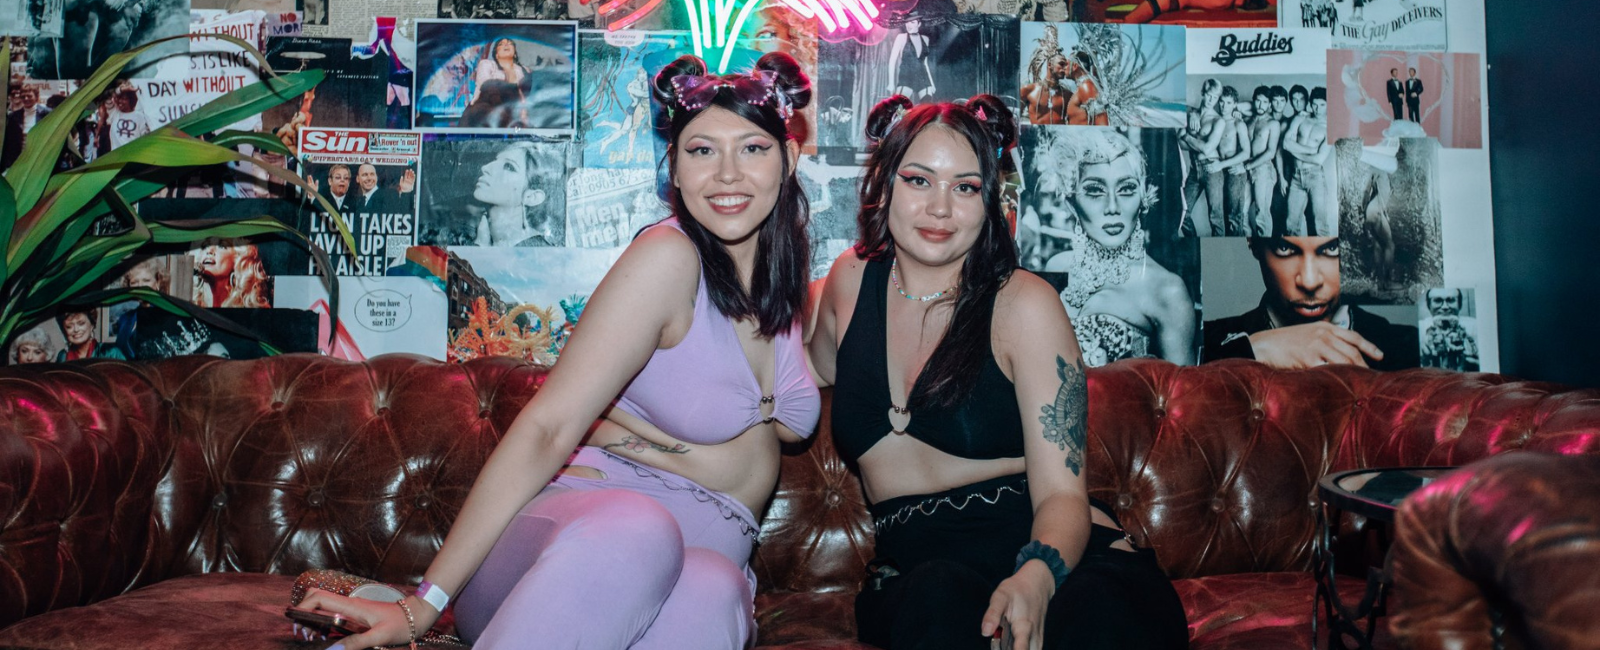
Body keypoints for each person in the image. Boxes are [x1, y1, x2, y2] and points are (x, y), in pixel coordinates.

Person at [292, 52, 819, 650]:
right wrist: (422, 606)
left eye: (752, 148)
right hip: (581, 550)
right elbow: (548, 426)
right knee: (638, 529)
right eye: (701, 150)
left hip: (702, 565)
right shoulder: (668, 260)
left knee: (713, 590)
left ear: (789, 158)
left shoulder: (785, 282)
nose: (727, 173)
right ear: (672, 168)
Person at [809, 94, 1188, 650]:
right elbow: (800, 368)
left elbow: (1063, 495)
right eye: (919, 180)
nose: (941, 208)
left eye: (965, 187)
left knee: (1098, 618)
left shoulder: (1023, 303)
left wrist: (1037, 576)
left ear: (989, 200)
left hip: (1057, 561)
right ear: (884, 184)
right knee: (936, 600)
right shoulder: (848, 281)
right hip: (922, 578)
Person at [1034, 128, 1196, 366]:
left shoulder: (1167, 290)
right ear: (1071, 202)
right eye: (1095, 191)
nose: (1113, 207)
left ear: (1142, 200)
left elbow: (1183, 398)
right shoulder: (1057, 265)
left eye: (1126, 189)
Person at [1202, 236, 1420, 370]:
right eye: (1285, 249)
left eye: (1332, 248)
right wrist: (1252, 350)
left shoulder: (1408, 347)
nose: (1309, 281)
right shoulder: (1205, 346)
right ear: (1252, 242)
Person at [469, 141, 566, 247]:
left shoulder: (535, 250)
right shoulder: (478, 232)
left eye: (509, 167)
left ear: (531, 197)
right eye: (496, 160)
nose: (485, 168)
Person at [1282, 87, 1332, 237]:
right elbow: (1285, 144)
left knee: (1320, 225)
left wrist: (1295, 151)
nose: (1317, 109)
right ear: (1310, 103)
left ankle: (1323, 260)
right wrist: (1310, 150)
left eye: (1322, 105)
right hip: (1296, 177)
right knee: (1290, 225)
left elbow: (1319, 159)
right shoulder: (1301, 118)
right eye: (1315, 104)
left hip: (1315, 177)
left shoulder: (1329, 128)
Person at [1180, 78, 1223, 236]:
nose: (1212, 100)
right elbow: (1180, 143)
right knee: (1182, 211)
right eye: (1209, 95)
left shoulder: (1218, 120)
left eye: (1216, 97)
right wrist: (1192, 115)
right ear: (1202, 94)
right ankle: (1195, 242)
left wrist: (1188, 137)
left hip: (1212, 168)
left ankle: (1218, 252)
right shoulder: (1192, 115)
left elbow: (1207, 148)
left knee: (1216, 217)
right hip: (1194, 169)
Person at [192, 239, 272, 309]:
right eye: (205, 246)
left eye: (221, 246)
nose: (209, 251)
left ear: (238, 260)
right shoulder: (191, 302)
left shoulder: (254, 307)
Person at [1245, 86, 1281, 237]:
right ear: (1253, 102)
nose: (1260, 105)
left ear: (1270, 104)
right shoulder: (1248, 120)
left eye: (1265, 102)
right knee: (1241, 211)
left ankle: (1264, 247)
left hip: (1263, 170)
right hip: (1247, 168)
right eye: (1258, 101)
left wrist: (1249, 165)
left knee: (1262, 212)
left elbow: (1271, 152)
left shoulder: (1273, 124)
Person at [1419, 288, 1477, 371]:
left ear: (1459, 304)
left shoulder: (1475, 325)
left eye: (1451, 300)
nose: (1445, 307)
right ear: (1429, 305)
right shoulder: (1419, 327)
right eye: (1438, 300)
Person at [2, 84, 52, 170]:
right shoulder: (13, 116)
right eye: (23, 96)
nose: (26, 99)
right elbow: (9, 141)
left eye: (29, 96)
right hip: (20, 158)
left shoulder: (47, 114)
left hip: (39, 157)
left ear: (36, 97)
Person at [887, 17, 935, 100]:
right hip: (906, 77)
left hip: (923, 78)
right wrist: (891, 83)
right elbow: (892, 61)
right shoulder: (901, 37)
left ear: (919, 24)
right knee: (900, 108)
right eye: (907, 22)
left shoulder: (925, 39)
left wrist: (932, 83)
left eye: (912, 22)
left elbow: (925, 64)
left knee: (926, 109)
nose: (908, 25)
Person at [94, 85, 150, 156]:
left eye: (124, 99)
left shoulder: (140, 116)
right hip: (116, 157)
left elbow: (144, 139)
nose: (120, 101)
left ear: (131, 100)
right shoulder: (114, 113)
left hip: (133, 156)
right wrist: (122, 89)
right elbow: (108, 95)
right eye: (119, 98)